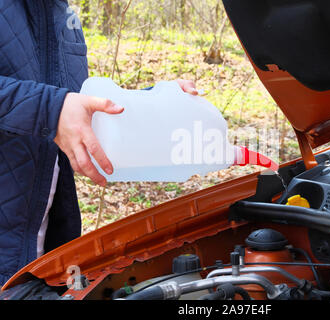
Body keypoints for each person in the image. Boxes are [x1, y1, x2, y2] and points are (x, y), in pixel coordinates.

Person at [0, 0, 197, 286]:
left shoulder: (60, 12)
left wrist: (155, 102)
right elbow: (52, 106)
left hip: (39, 262)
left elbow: (75, 106)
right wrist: (51, 109)